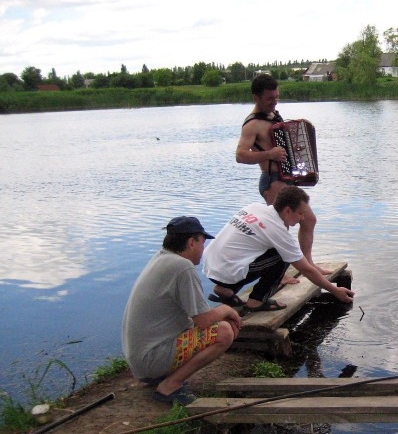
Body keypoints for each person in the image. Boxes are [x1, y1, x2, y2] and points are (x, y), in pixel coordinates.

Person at [121, 216, 242, 405]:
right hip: (150, 360)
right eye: (202, 242)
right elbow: (203, 320)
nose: (203, 249)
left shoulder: (162, 258)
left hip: (140, 359)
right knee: (224, 332)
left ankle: (164, 377)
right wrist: (227, 309)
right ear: (191, 242)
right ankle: (170, 385)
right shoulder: (182, 267)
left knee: (215, 324)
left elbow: (196, 314)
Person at [235, 74, 330, 281]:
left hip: (286, 180)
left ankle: (308, 263)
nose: (274, 102)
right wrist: (269, 154)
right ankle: (280, 274)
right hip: (272, 181)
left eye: (277, 97)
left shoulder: (274, 116)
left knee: (309, 220)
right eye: (270, 99)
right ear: (256, 98)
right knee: (279, 229)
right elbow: (240, 156)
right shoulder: (251, 125)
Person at [203, 186, 354, 313]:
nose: (302, 218)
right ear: (288, 211)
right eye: (300, 213)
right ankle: (257, 301)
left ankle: (225, 289)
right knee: (284, 256)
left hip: (211, 264)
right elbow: (306, 270)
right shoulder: (276, 229)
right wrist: (335, 291)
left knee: (268, 252)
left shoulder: (254, 207)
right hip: (227, 269)